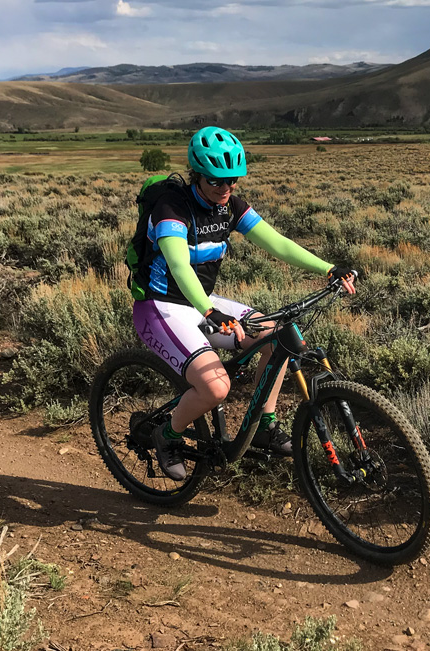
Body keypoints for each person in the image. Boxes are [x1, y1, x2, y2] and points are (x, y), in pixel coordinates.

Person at [128, 126, 356, 481]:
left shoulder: (230, 206)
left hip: (203, 303)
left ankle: (264, 425)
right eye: (217, 181)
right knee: (216, 387)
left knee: (276, 335)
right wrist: (209, 311)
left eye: (233, 180)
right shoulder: (172, 208)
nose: (226, 188)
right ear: (197, 176)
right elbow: (177, 265)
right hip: (163, 307)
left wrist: (327, 268)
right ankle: (167, 435)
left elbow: (277, 243)